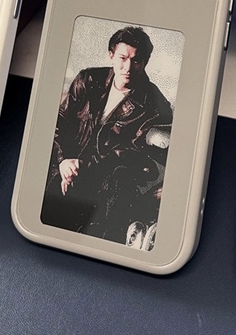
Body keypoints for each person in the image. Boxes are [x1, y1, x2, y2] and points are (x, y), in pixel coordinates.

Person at [41, 26, 174, 245]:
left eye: (136, 61)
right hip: (66, 165)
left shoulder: (153, 103)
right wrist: (64, 161)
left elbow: (131, 153)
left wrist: (82, 166)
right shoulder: (88, 79)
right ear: (111, 55)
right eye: (122, 58)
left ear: (145, 62)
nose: (128, 67)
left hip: (108, 174)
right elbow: (60, 122)